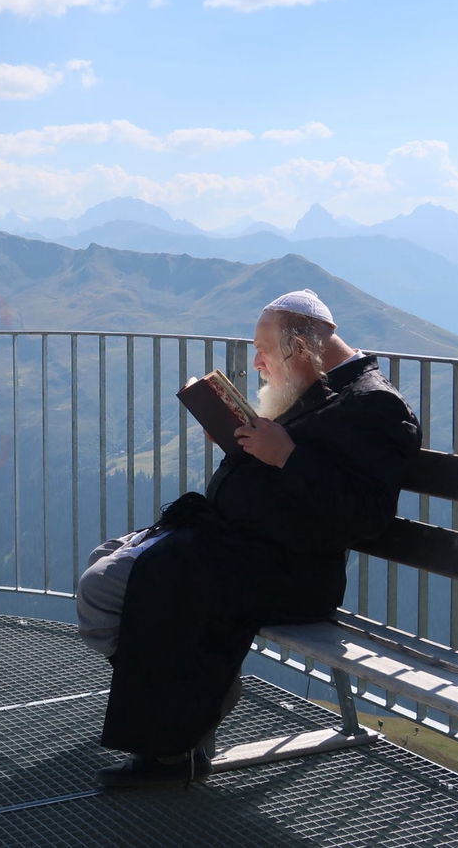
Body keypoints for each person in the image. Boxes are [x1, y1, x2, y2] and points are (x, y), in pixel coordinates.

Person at [77, 289, 421, 787]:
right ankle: (188, 701)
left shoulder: (375, 407)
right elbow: (283, 488)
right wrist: (242, 445)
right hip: (247, 551)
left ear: (301, 348)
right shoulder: (320, 387)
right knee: (111, 561)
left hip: (288, 572)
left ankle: (177, 737)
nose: (256, 362)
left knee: (108, 587)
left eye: (264, 348)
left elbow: (365, 517)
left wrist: (287, 456)